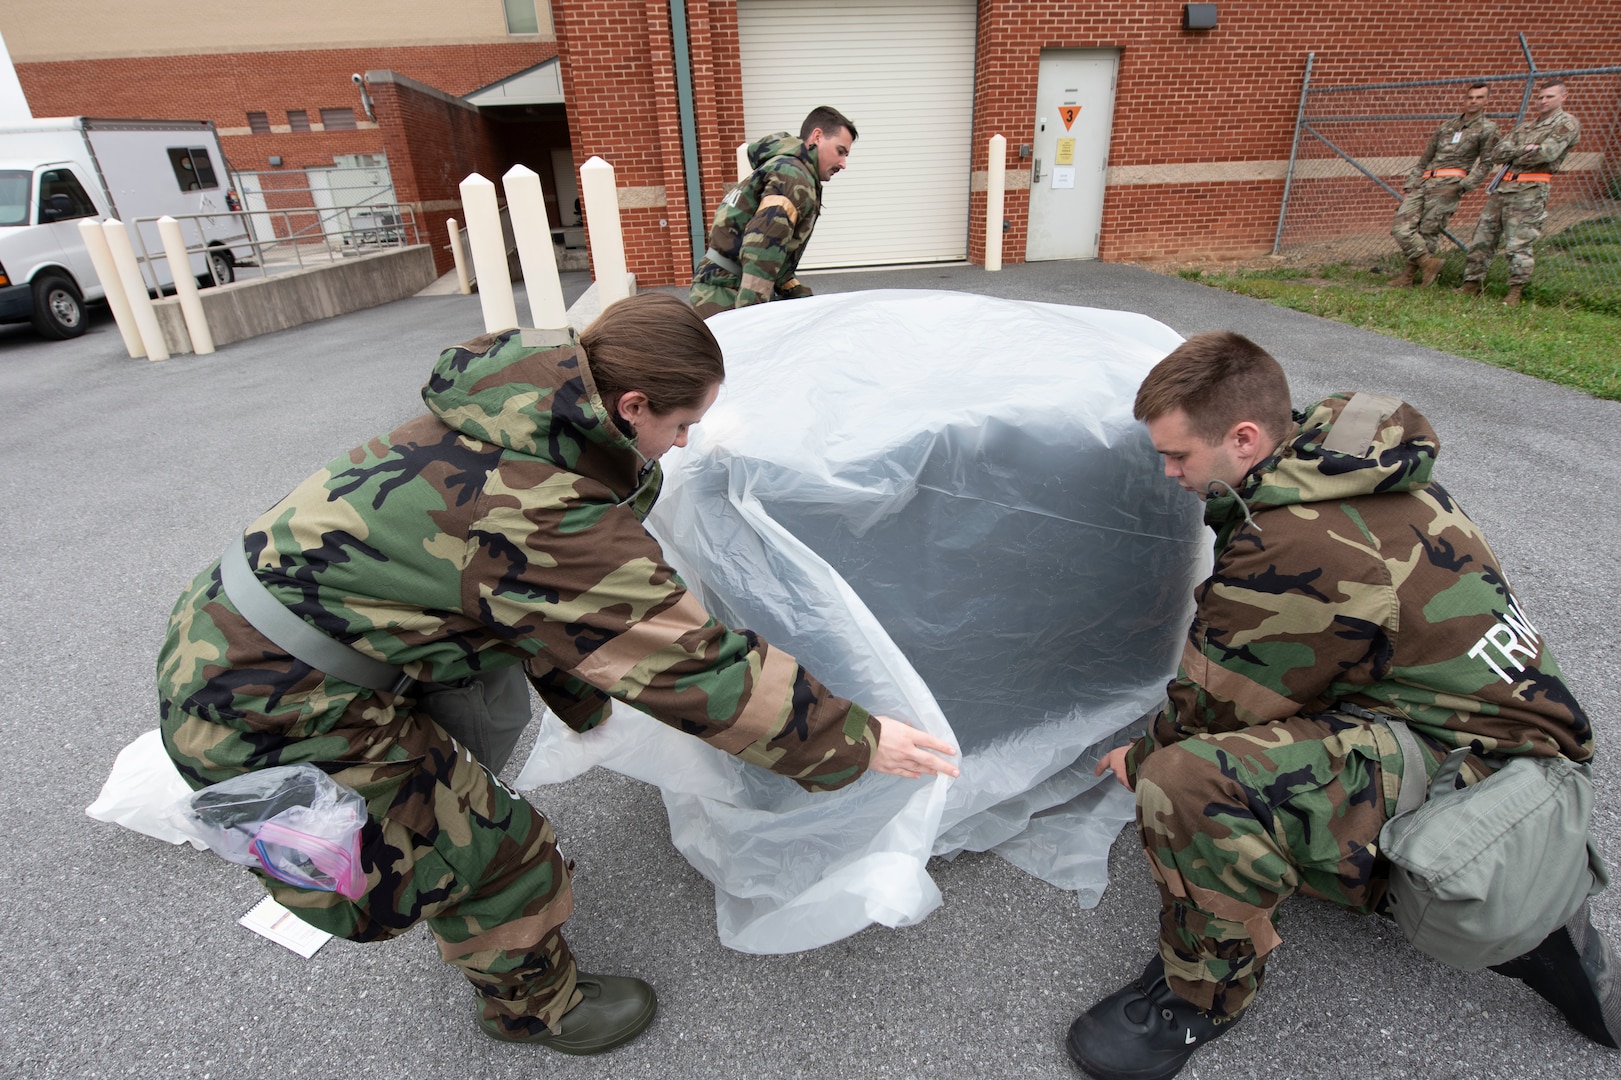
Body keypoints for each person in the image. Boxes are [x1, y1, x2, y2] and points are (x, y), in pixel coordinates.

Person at [157, 293, 958, 1056]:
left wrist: (584, 706)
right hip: (270, 702)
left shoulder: (513, 414)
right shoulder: (543, 505)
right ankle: (532, 1011)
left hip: (236, 633)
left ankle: (436, 867)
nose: (684, 444)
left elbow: (531, 610)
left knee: (475, 737)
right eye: (681, 424)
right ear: (633, 405)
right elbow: (694, 662)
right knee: (496, 850)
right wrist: (854, 737)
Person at [1066, 331, 1617, 1080]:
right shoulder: (1346, 466)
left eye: (1178, 456)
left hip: (1482, 786)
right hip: (1508, 736)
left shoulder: (1293, 540)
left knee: (1184, 781)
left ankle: (1201, 995)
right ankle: (1511, 897)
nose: (1169, 474)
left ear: (1244, 436)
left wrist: (1136, 757)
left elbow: (1213, 705)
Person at [688, 105, 856, 318]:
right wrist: (752, 320)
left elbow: (778, 255)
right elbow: (761, 250)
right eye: (840, 151)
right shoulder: (793, 177)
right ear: (817, 136)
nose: (843, 163)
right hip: (726, 294)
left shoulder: (791, 169)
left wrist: (801, 297)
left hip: (724, 285)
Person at [1459, 81, 1581, 306]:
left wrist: (1516, 154)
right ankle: (1471, 284)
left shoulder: (1567, 124)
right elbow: (1497, 153)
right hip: (1503, 188)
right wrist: (1524, 149)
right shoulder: (1526, 127)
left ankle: (1515, 291)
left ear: (1563, 97)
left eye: (1549, 96)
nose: (1543, 101)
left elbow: (1547, 153)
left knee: (1518, 243)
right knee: (1482, 238)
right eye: (1541, 97)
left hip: (1530, 190)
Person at [1388, 83, 1498, 288]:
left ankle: (1409, 277)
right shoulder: (1447, 127)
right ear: (1464, 100)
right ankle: (1427, 264)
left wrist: (1464, 185)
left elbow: (1487, 163)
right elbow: (1425, 158)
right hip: (1424, 183)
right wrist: (1410, 185)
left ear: (1486, 101)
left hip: (1448, 185)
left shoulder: (1487, 129)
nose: (1473, 101)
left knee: (1428, 231)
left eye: (1479, 98)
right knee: (1400, 228)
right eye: (1470, 97)